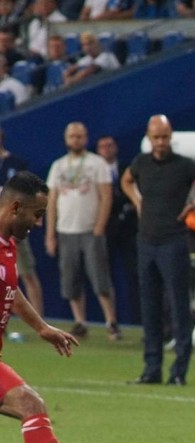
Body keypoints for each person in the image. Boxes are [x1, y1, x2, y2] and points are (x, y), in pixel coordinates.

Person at [0, 171, 112, 443]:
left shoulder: (8, 243)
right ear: (15, 207)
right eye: (36, 214)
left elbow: (10, 289)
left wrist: (42, 327)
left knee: (31, 406)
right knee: (31, 405)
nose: (37, 222)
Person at [121, 114, 195, 386]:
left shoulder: (184, 166)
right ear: (148, 137)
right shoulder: (141, 162)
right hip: (146, 241)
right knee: (150, 307)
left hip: (173, 243)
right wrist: (137, 201)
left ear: (171, 136)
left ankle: (179, 371)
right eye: (156, 137)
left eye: (165, 136)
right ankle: (151, 369)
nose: (160, 142)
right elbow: (126, 180)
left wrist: (194, 204)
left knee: (179, 307)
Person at [45, 121, 121, 341]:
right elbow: (52, 200)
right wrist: (51, 234)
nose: (76, 140)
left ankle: (111, 321)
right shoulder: (58, 166)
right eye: (72, 136)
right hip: (65, 229)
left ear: (86, 139)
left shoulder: (97, 164)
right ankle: (80, 322)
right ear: (66, 139)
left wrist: (99, 226)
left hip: (90, 229)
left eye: (79, 136)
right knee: (70, 278)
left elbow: (107, 196)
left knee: (100, 277)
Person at [0, 126, 43, 317]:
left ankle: (39, 318)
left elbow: (31, 195)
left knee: (26, 274)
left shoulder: (16, 164)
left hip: (14, 228)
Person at [99, 135, 139, 323]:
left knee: (135, 273)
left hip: (129, 229)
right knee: (103, 274)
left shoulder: (127, 169)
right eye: (103, 146)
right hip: (104, 228)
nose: (107, 149)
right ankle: (111, 320)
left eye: (110, 145)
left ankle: (137, 320)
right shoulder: (94, 170)